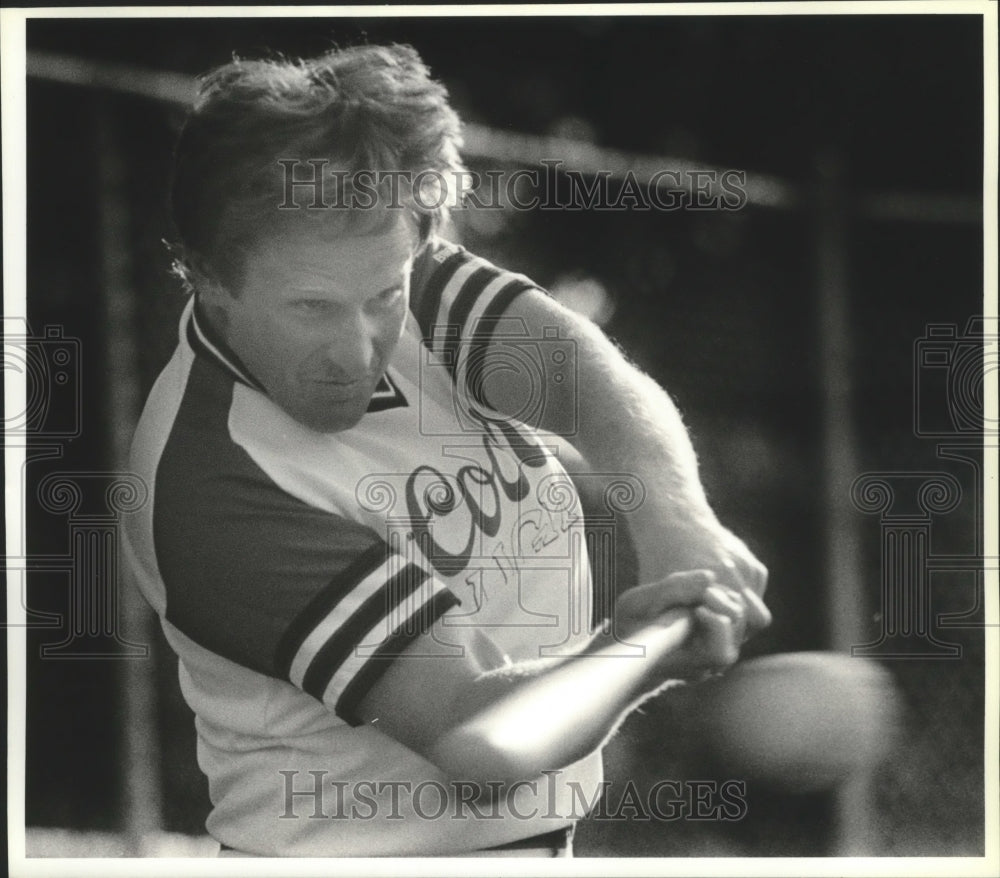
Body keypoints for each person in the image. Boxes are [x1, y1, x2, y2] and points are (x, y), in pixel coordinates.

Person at [124, 42, 770, 857]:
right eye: (313, 309)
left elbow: (591, 383)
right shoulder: (206, 485)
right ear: (207, 277)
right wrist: (645, 649)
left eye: (382, 297)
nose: (359, 349)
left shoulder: (407, 278)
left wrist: (678, 521)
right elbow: (480, 742)